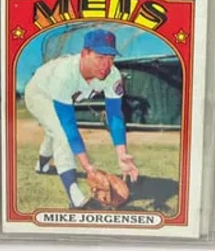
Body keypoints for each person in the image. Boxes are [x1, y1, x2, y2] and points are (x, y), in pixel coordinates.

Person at [26, 29, 139, 208]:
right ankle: (75, 198)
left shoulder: (112, 75)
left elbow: (115, 114)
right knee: (62, 132)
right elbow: (69, 126)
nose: (106, 64)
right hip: (39, 93)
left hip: (59, 94)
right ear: (85, 53)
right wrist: (88, 167)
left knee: (53, 130)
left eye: (111, 58)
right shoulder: (65, 74)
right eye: (100, 57)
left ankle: (42, 165)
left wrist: (121, 154)